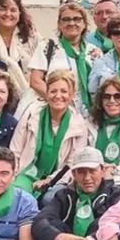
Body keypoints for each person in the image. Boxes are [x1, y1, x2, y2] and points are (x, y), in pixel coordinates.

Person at [9, 70, 91, 199]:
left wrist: (50, 180)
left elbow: (73, 164)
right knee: (19, 194)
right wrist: (12, 175)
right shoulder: (32, 113)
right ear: (46, 92)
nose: (58, 96)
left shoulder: (79, 124)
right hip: (27, 171)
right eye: (53, 91)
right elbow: (15, 149)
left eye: (64, 91)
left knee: (50, 198)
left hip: (58, 178)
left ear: (72, 95)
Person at [27, 3, 104, 116]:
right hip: (52, 107)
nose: (71, 23)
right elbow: (35, 80)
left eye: (77, 19)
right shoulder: (48, 46)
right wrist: (59, 101)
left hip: (86, 111)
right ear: (59, 24)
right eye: (66, 19)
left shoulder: (94, 52)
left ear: (84, 24)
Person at [0, 0, 41, 117]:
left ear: (19, 14)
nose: (8, 14)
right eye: (3, 9)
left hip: (27, 104)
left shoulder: (32, 38)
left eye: (13, 10)